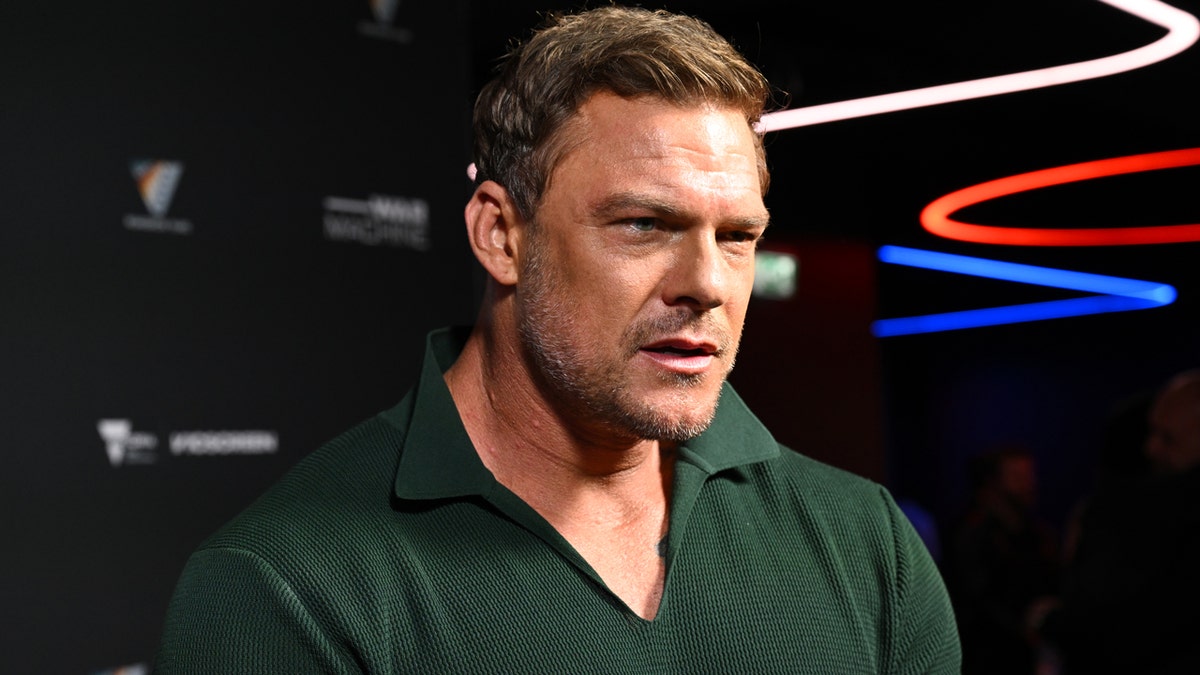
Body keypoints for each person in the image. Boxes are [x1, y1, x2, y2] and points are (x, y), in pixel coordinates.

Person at [154, 6, 960, 672]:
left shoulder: (870, 545)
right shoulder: (280, 587)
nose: (707, 283)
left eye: (737, 236)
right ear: (501, 235)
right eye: (643, 224)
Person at [1034, 369, 1200, 674]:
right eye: (1151, 433)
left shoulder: (1157, 516)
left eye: (1168, 438)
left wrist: (1048, 622)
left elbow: (1117, 628)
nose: (1151, 448)